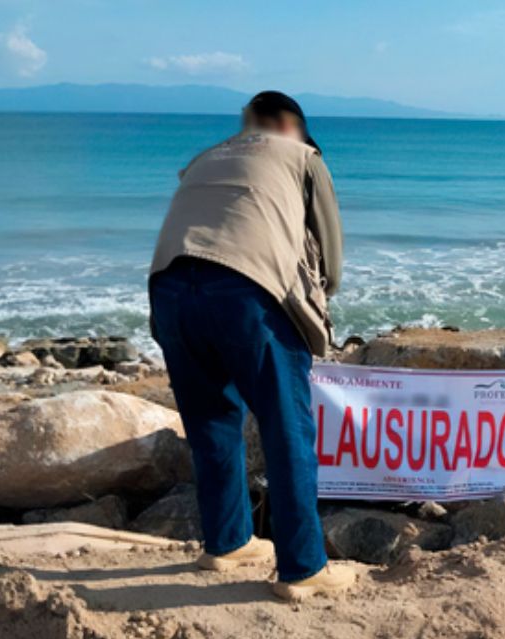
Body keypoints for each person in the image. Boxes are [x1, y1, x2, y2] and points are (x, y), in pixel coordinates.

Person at [149, 91, 354, 601]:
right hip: (247, 292)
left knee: (212, 422)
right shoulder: (303, 155)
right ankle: (303, 568)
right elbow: (331, 255)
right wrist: (320, 297)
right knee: (287, 427)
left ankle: (227, 543)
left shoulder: (205, 157)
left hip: (169, 290)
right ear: (290, 125)